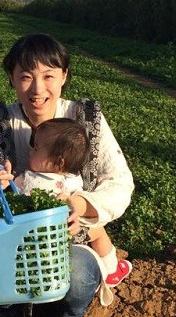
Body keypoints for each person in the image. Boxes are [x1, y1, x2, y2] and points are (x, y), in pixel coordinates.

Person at [0, 33, 134, 317]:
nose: (38, 90)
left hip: (70, 238)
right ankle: (4, 307)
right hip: (9, 237)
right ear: (12, 78)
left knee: (78, 272)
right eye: (25, 76)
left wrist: (82, 205)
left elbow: (120, 182)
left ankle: (65, 315)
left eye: (48, 76)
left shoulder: (85, 119)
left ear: (64, 77)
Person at [14, 117, 132, 288]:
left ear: (59, 161)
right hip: (59, 235)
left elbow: (13, 190)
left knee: (95, 230)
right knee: (98, 230)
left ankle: (110, 269)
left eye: (36, 148)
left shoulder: (27, 178)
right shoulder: (71, 180)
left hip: (42, 234)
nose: (30, 151)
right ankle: (111, 267)